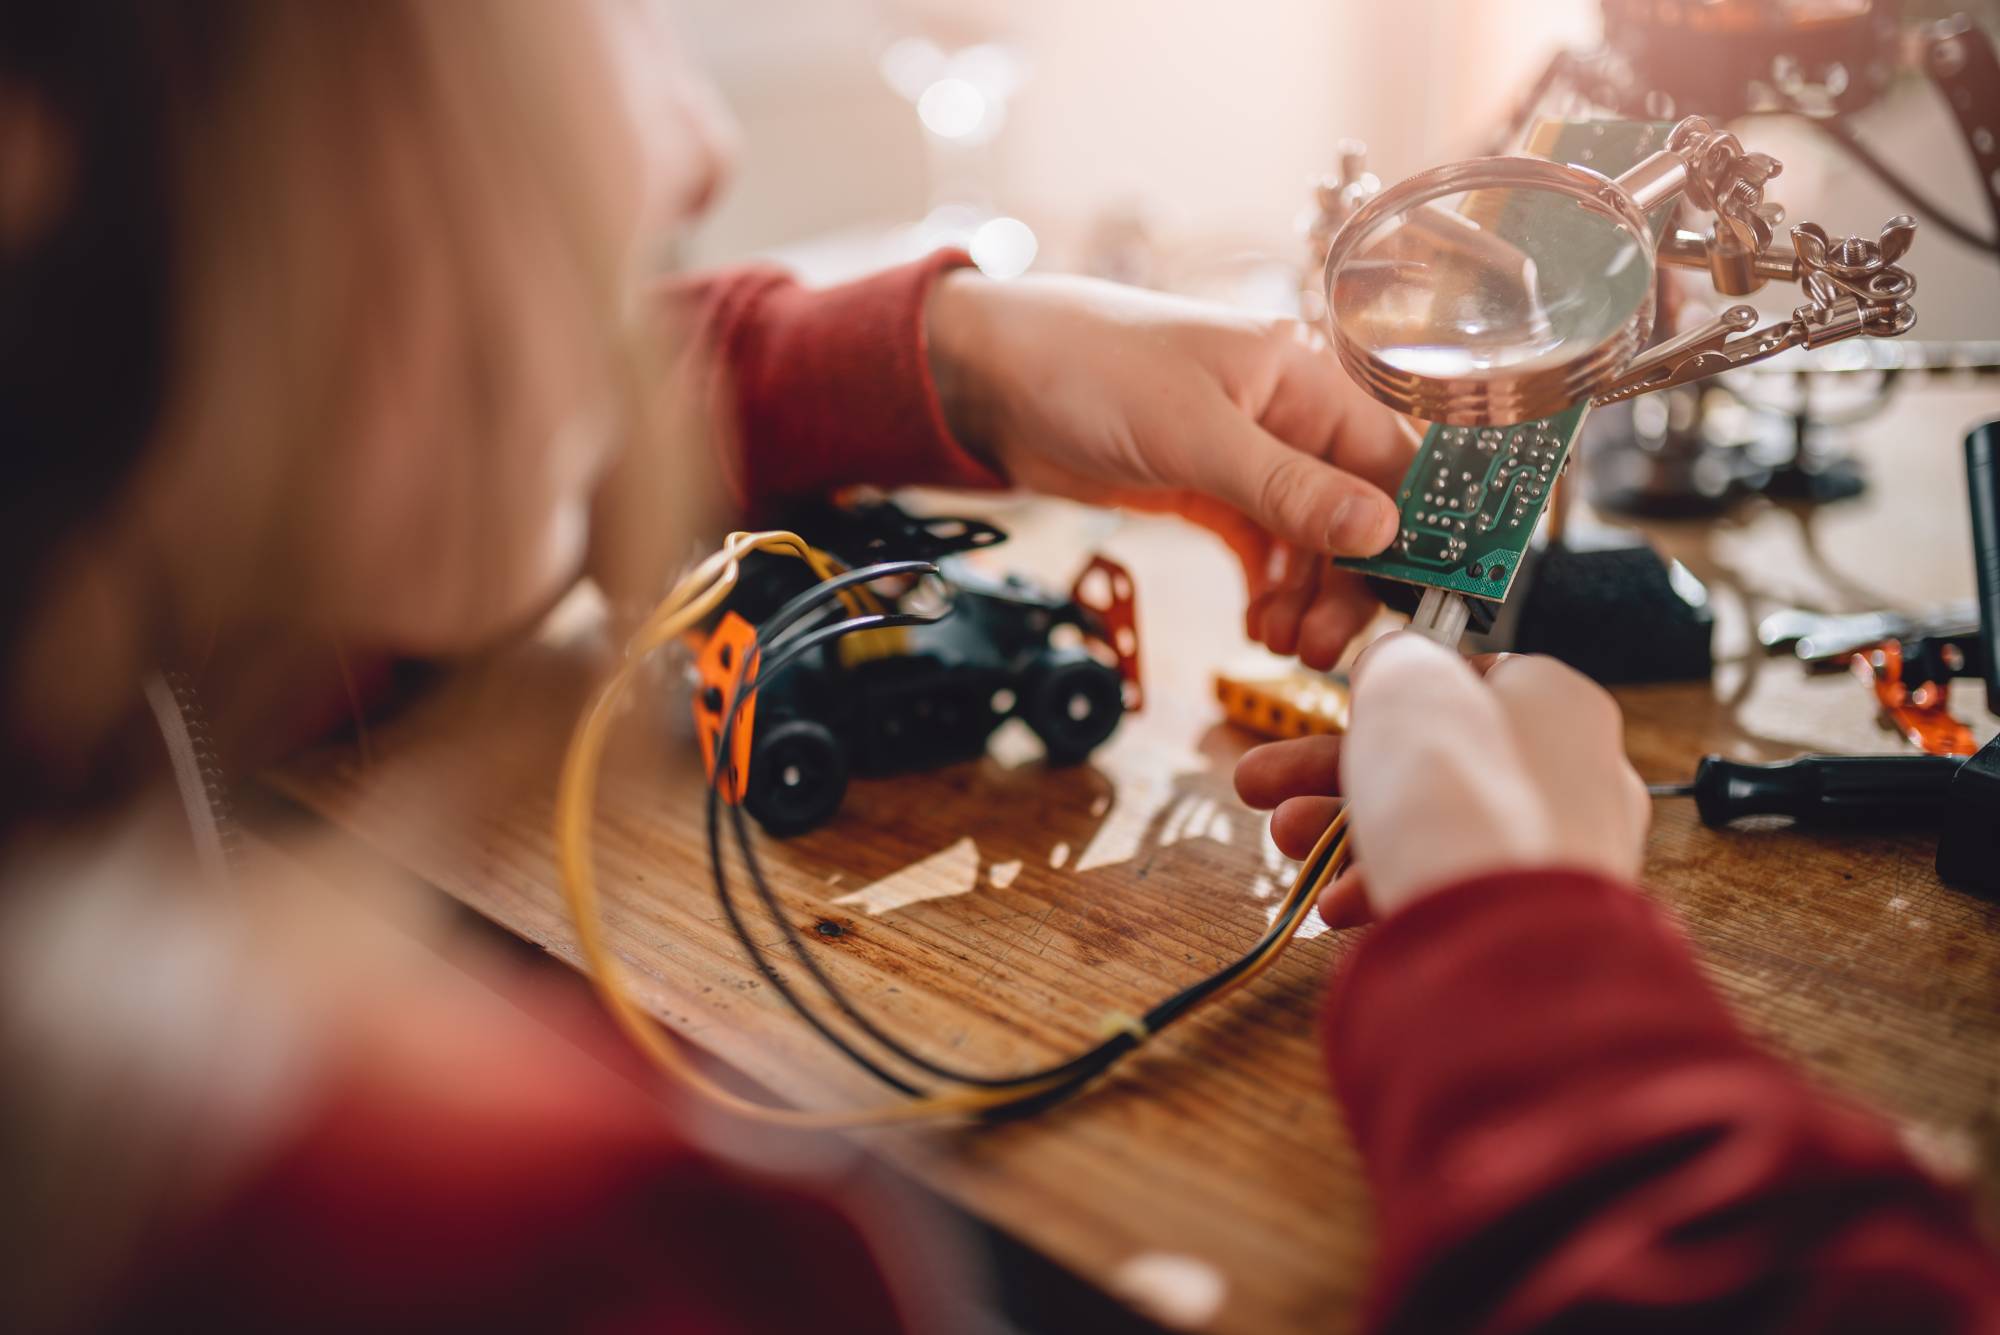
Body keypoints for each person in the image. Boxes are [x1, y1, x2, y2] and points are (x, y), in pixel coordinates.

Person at [0, 2, 1993, 1331]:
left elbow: (281, 455)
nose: (695, 140)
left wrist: (952, 358)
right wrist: (1526, 938)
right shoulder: (586, 1255)